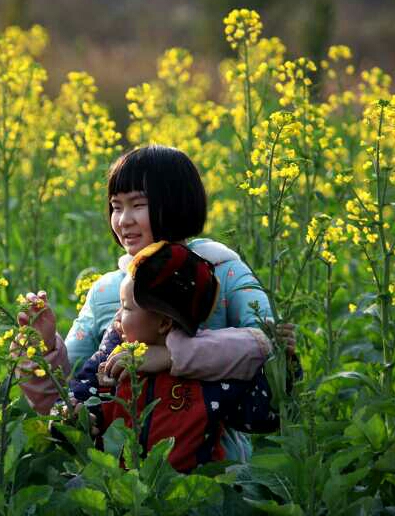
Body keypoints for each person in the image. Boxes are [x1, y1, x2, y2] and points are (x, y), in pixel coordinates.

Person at [19, 145, 292, 461]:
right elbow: (74, 386)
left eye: (138, 205)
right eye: (116, 207)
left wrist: (170, 355)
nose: (123, 220)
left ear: (177, 202)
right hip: (118, 473)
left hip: (214, 471)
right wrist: (43, 349)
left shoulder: (223, 271)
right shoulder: (106, 291)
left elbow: (269, 349)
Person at [82, 241, 283, 472]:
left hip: (187, 491)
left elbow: (261, 415)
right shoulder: (114, 354)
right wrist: (76, 416)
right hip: (120, 488)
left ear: (164, 323)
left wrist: (284, 365)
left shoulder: (204, 376)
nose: (117, 317)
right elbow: (82, 392)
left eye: (126, 307)